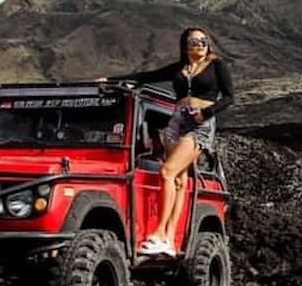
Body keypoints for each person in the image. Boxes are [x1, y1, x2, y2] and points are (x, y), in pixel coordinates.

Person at [99, 26, 233, 256]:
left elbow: (230, 97)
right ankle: (170, 240)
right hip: (175, 122)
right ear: (185, 46)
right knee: (179, 181)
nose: (199, 45)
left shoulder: (217, 65)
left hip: (199, 123)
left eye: (203, 41)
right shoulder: (179, 68)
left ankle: (160, 233)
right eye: (194, 41)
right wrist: (111, 80)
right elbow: (146, 77)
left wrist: (206, 113)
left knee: (167, 173)